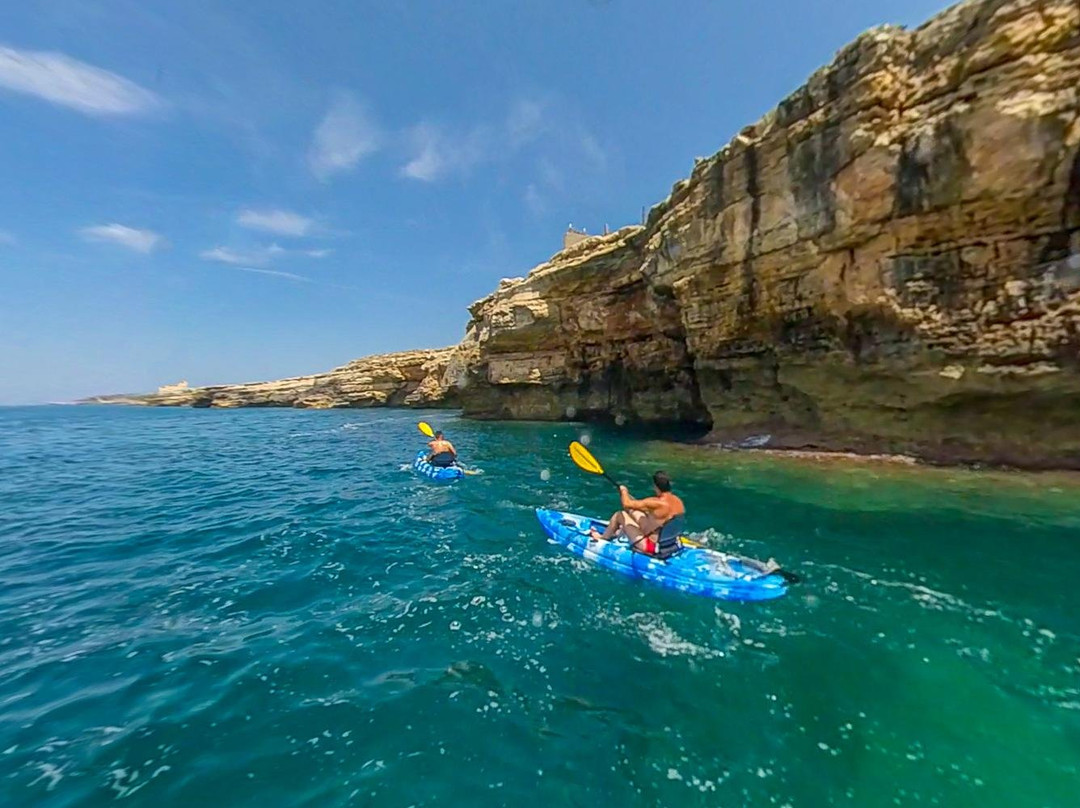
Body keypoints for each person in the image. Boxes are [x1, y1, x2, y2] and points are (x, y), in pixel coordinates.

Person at [589, 470, 686, 557]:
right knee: (635, 512)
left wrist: (623, 491)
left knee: (620, 515)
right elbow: (657, 515)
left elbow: (626, 504)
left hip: (653, 547)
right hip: (672, 544)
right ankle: (620, 531)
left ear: (655, 486)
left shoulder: (656, 502)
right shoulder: (678, 501)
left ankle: (603, 538)